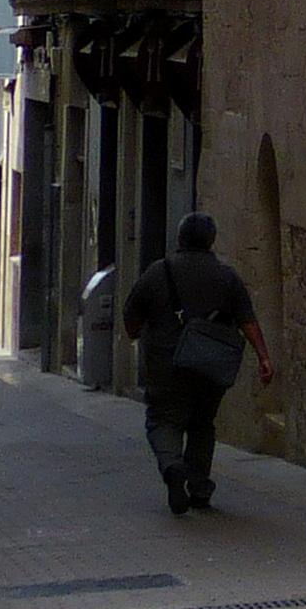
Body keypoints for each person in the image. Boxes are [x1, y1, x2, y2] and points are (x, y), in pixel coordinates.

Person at [120, 213, 273, 515]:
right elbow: (247, 321)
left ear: (179, 239)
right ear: (211, 240)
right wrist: (264, 357)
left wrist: (139, 333)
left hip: (166, 365)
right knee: (202, 424)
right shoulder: (226, 276)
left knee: (163, 420)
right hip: (210, 368)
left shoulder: (157, 272)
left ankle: (172, 465)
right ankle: (200, 486)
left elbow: (132, 316)